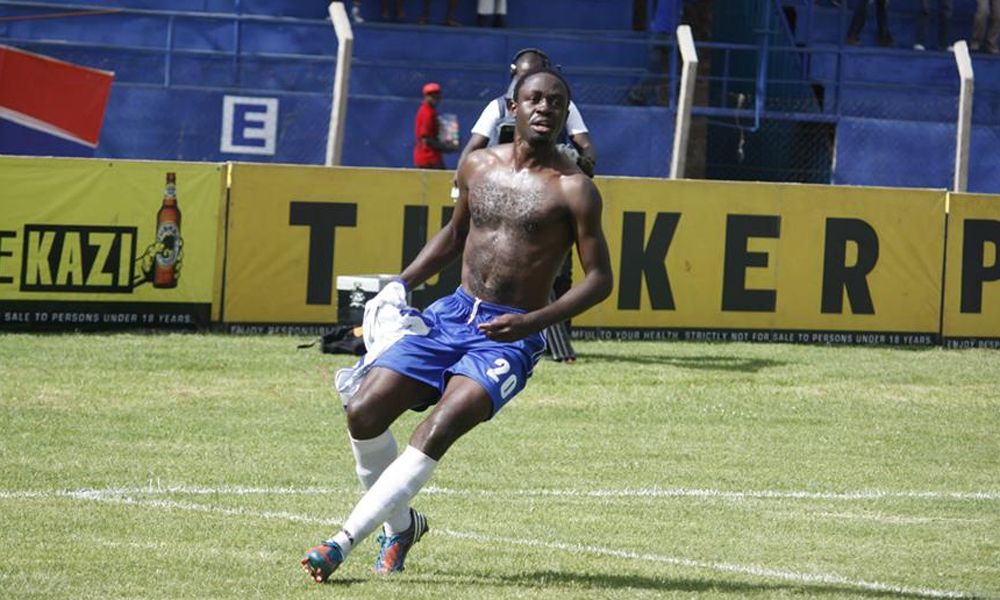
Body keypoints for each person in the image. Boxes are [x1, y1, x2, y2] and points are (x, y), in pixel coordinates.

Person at [301, 67, 614, 582]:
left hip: (509, 335)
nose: (544, 109)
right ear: (511, 109)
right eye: (533, 100)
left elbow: (599, 280)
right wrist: (398, 284)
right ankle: (402, 527)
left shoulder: (576, 189)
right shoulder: (476, 166)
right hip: (451, 314)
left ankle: (340, 543)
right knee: (363, 411)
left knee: (440, 425)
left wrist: (531, 322)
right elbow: (452, 236)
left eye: (555, 102)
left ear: (565, 114)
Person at [456, 48, 595, 362]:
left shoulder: (559, 105)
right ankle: (545, 346)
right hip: (500, 194)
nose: (544, 107)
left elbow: (587, 147)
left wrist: (576, 167)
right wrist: (467, 184)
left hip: (548, 197)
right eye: (522, 80)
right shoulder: (497, 107)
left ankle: (553, 344)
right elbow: (472, 148)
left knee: (552, 276)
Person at [413, 82, 457, 169]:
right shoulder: (427, 112)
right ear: (425, 97)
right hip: (428, 158)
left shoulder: (430, 111)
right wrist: (446, 147)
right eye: (431, 95)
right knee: (442, 181)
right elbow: (426, 139)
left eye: (437, 95)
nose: (435, 98)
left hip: (430, 157)